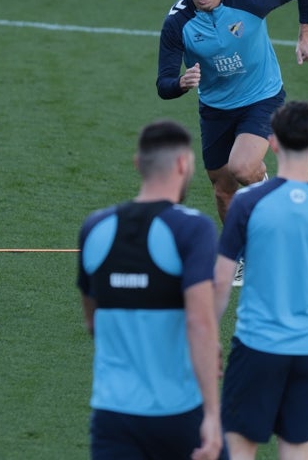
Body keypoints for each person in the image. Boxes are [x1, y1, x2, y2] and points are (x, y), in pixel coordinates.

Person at [213, 100, 308, 460]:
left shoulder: (247, 202)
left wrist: (210, 337)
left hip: (256, 345)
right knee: (296, 450)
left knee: (240, 447)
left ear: (272, 142)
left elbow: (220, 282)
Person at [77, 119, 224, 460]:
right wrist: (214, 417)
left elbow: (92, 322)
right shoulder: (192, 228)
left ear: (137, 164)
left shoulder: (94, 227)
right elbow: (200, 324)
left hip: (112, 415)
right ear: (183, 164)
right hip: (178, 414)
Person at [156, 0, 308, 223]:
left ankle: (278, 205)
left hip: (262, 96)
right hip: (215, 107)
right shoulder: (177, 22)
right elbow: (164, 83)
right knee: (223, 191)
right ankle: (242, 256)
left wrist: (306, 35)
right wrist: (181, 82)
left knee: (242, 168)